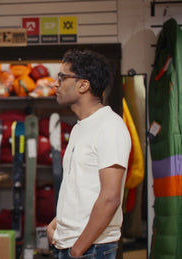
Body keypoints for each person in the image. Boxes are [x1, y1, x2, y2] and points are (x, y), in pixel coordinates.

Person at [47, 49, 131, 258]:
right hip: (69, 243)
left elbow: (110, 198)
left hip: (91, 248)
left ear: (83, 85)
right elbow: (80, 187)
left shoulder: (110, 126)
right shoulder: (80, 127)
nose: (55, 84)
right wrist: (57, 222)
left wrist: (78, 250)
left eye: (62, 78)